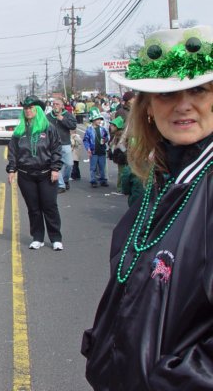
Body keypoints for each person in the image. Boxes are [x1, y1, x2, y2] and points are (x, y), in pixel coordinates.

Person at [82, 25, 213, 389]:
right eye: (168, 92)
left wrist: (168, 382)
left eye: (199, 89)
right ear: (149, 108)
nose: (183, 104)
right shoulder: (160, 180)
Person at [6, 95, 63, 251]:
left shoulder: (49, 128)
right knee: (33, 207)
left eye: (31, 108)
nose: (28, 111)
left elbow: (56, 149)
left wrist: (55, 168)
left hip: (46, 173)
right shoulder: (19, 131)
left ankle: (56, 238)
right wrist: (12, 169)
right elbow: (13, 152)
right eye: (25, 108)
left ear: (37, 110)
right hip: (26, 175)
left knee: (49, 205)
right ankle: (37, 237)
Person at [47, 97, 77, 193]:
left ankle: (65, 180)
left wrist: (62, 119)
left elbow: (73, 125)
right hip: (53, 145)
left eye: (57, 104)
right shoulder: (48, 116)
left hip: (65, 143)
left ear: (62, 106)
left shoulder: (67, 115)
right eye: (54, 104)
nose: (55, 106)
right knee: (56, 165)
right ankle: (61, 185)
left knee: (69, 164)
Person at [83, 108, 109, 188]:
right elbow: (85, 140)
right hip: (93, 151)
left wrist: (105, 140)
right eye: (97, 119)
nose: (99, 121)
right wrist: (88, 148)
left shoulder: (102, 129)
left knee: (102, 166)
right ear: (93, 120)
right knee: (93, 167)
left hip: (102, 150)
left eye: (100, 119)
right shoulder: (89, 130)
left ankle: (103, 180)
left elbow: (107, 137)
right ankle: (93, 180)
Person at [107, 115, 127, 194]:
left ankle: (121, 188)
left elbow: (119, 146)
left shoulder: (119, 135)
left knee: (122, 172)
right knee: (122, 172)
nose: (110, 127)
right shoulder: (117, 134)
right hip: (121, 156)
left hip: (122, 156)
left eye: (112, 125)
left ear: (117, 127)